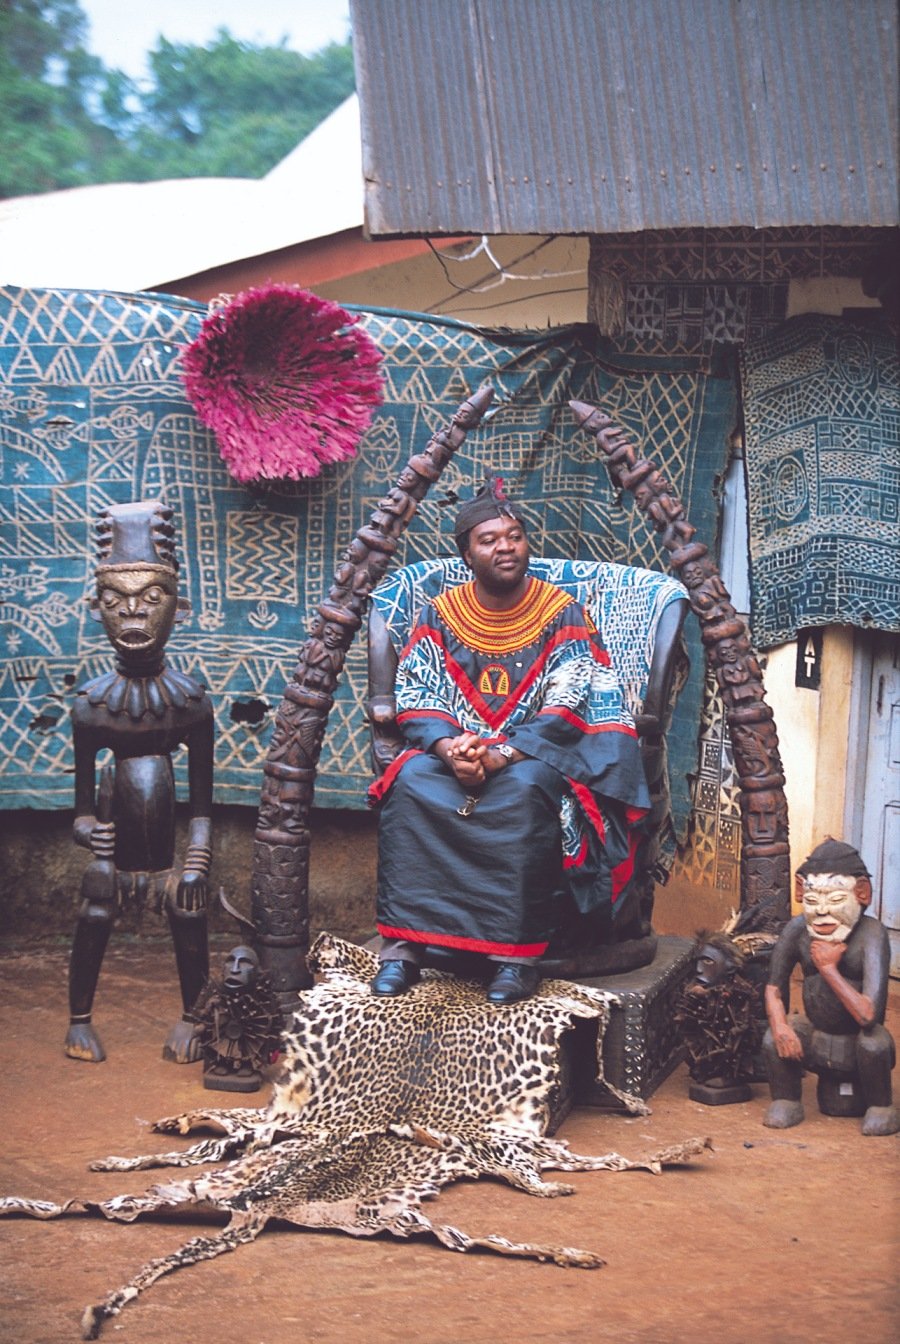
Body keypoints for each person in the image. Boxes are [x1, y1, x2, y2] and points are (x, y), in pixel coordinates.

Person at [368, 476, 650, 1005]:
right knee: (410, 782)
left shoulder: (560, 610)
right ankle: (404, 950)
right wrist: (450, 748)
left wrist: (503, 753)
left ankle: (513, 960)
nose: (506, 547)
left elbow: (572, 698)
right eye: (489, 539)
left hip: (536, 750)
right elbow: (417, 688)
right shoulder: (441, 612)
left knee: (523, 793)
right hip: (459, 747)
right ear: (467, 554)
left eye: (515, 535)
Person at [763, 838, 899, 1136]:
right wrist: (781, 1026)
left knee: (874, 1041)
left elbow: (868, 1016)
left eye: (836, 900)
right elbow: (773, 988)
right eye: (812, 901)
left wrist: (828, 969)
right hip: (816, 1038)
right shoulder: (798, 930)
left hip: (857, 1043)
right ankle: (787, 1100)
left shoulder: (871, 935)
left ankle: (881, 1106)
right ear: (801, 892)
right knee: (773, 1037)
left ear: (861, 893)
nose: (822, 911)